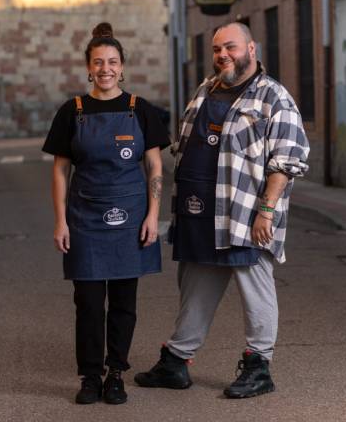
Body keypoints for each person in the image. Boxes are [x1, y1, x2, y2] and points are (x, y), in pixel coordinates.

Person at [134, 22, 309, 399]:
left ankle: (259, 366)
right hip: (199, 213)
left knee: (254, 288)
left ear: (252, 48)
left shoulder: (273, 98)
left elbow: (287, 160)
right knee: (195, 287)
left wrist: (266, 210)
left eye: (230, 47)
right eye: (216, 49)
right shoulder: (205, 90)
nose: (222, 55)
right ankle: (176, 362)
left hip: (244, 215)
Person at [42, 22, 170, 405]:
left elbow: (155, 168)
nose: (105, 69)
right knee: (89, 302)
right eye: (98, 62)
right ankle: (90, 376)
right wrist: (60, 220)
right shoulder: (72, 111)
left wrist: (152, 216)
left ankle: (116, 372)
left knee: (124, 303)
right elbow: (60, 170)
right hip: (84, 220)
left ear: (123, 67)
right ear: (88, 68)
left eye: (112, 62)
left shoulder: (141, 110)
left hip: (131, 219)